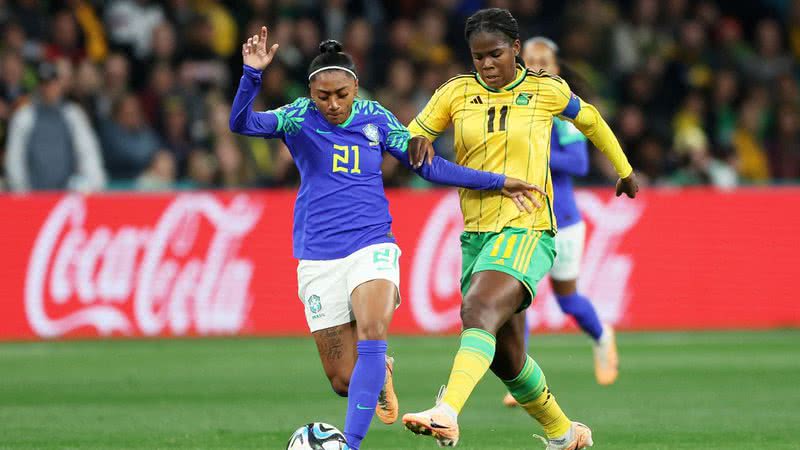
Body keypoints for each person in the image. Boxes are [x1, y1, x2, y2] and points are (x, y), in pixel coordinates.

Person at [229, 27, 540, 450]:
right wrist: (252, 75)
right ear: (311, 92)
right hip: (318, 255)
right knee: (343, 380)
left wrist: (497, 181)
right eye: (324, 96)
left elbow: (427, 166)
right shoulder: (297, 117)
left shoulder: (376, 118)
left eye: (341, 93)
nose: (334, 104)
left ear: (355, 86)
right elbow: (241, 122)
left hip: (372, 245)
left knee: (373, 330)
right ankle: (381, 374)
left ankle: (351, 445)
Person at [401, 9, 638, 449]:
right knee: (507, 360)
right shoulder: (455, 93)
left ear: (515, 49)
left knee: (478, 310)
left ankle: (446, 412)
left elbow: (590, 120)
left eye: (494, 55)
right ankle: (564, 434)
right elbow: (414, 135)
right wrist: (414, 142)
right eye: (477, 58)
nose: (486, 65)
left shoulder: (545, 90)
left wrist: (623, 170)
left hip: (529, 228)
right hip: (476, 234)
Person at [501, 37, 621, 405]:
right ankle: (522, 377)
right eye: (531, 59)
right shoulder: (510, 105)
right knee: (519, 296)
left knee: (567, 300)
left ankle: (602, 338)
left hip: (564, 221)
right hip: (524, 217)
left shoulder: (564, 112)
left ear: (556, 68)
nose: (537, 66)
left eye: (545, 61)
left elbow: (580, 164)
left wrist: (538, 151)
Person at [5, 61, 106, 192]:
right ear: (38, 86)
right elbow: (15, 159)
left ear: (59, 84)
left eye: (52, 83)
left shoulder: (72, 114)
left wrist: (93, 185)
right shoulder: (24, 116)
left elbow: (88, 152)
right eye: (44, 83)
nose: (48, 88)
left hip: (66, 195)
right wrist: (21, 192)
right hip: (32, 196)